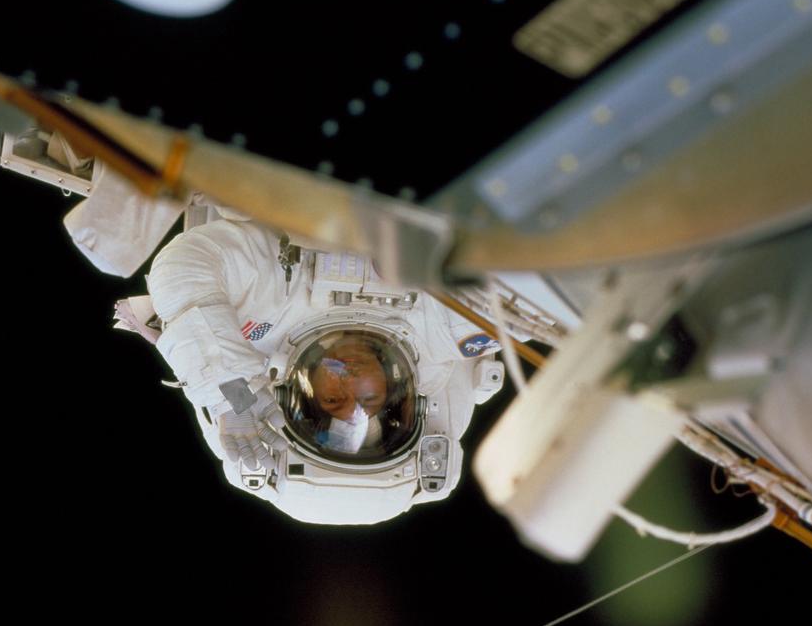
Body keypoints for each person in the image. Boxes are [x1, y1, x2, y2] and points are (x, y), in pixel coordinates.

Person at [98, 199, 507, 524]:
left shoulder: (264, 311)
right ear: (399, 396)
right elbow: (527, 297)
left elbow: (185, 265)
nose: (350, 384)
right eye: (367, 403)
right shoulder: (442, 334)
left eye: (332, 401)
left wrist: (233, 393)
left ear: (295, 393)